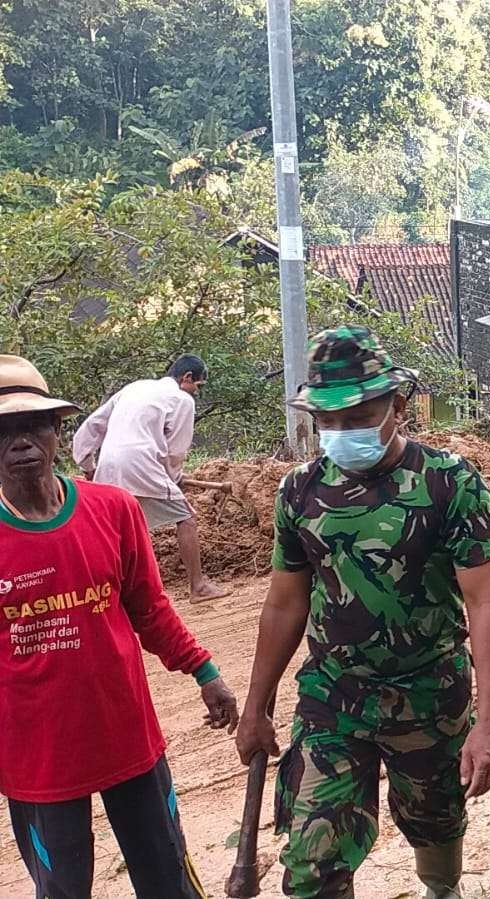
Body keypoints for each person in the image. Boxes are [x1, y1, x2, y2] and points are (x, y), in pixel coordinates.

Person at [234, 326, 490, 898]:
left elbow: (485, 603)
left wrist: (488, 722)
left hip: (428, 693)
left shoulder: (448, 484)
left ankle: (442, 888)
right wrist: (255, 707)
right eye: (326, 420)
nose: (339, 431)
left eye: (357, 415)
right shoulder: (299, 492)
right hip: (334, 697)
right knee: (311, 865)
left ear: (397, 406)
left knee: (434, 822)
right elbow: (284, 603)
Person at [0, 354, 238, 899]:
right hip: (38, 757)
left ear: (57, 429)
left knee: (167, 878)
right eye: (3, 430)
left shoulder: (113, 509)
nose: (21, 443)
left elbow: (149, 608)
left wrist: (205, 672)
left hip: (126, 734)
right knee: (62, 889)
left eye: (33, 425)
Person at [71, 354, 228, 600]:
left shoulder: (134, 388)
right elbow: (176, 451)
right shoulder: (182, 400)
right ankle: (198, 587)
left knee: (115, 530)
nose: (196, 391)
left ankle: (105, 592)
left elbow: (92, 427)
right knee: (186, 518)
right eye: (198, 385)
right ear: (187, 378)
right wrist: (173, 478)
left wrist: (88, 466)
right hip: (141, 464)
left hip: (108, 465)